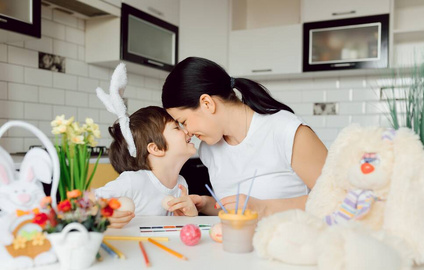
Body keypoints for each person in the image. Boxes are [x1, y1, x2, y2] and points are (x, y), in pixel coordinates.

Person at [161, 57, 328, 218]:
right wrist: (205, 203)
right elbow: (240, 212)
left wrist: (263, 208)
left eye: (184, 121)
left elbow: (340, 197)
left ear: (207, 103)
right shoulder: (209, 150)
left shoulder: (287, 130)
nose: (187, 132)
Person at [95, 63, 198, 228]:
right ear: (155, 148)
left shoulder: (181, 184)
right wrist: (102, 214)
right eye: (177, 127)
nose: (187, 131)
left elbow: (179, 230)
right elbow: (89, 201)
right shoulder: (134, 181)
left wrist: (191, 215)